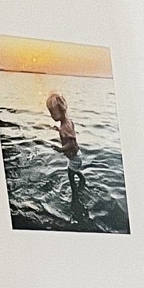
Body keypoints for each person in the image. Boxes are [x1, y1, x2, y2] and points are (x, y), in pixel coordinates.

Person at [46, 91, 86, 219]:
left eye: (52, 112)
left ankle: (75, 198)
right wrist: (58, 130)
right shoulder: (68, 122)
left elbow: (71, 142)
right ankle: (82, 179)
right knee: (74, 171)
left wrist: (60, 149)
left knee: (70, 177)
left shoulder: (64, 127)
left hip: (74, 157)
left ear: (61, 111)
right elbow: (69, 134)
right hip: (77, 156)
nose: (51, 115)